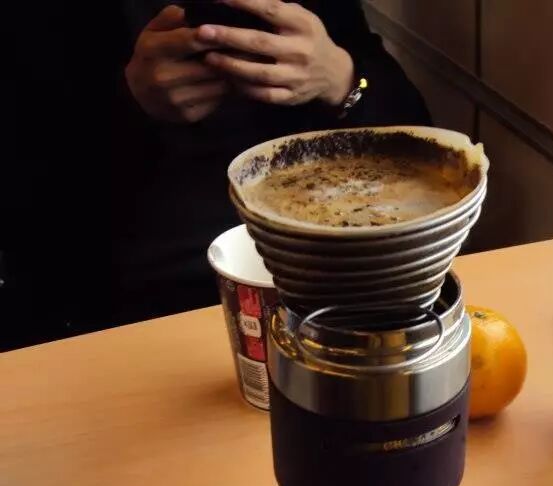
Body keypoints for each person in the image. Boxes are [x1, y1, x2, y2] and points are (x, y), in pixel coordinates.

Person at [5, 0, 429, 350]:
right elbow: (29, 193)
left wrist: (343, 79)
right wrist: (129, 102)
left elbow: (419, 139)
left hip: (327, 270)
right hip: (130, 303)